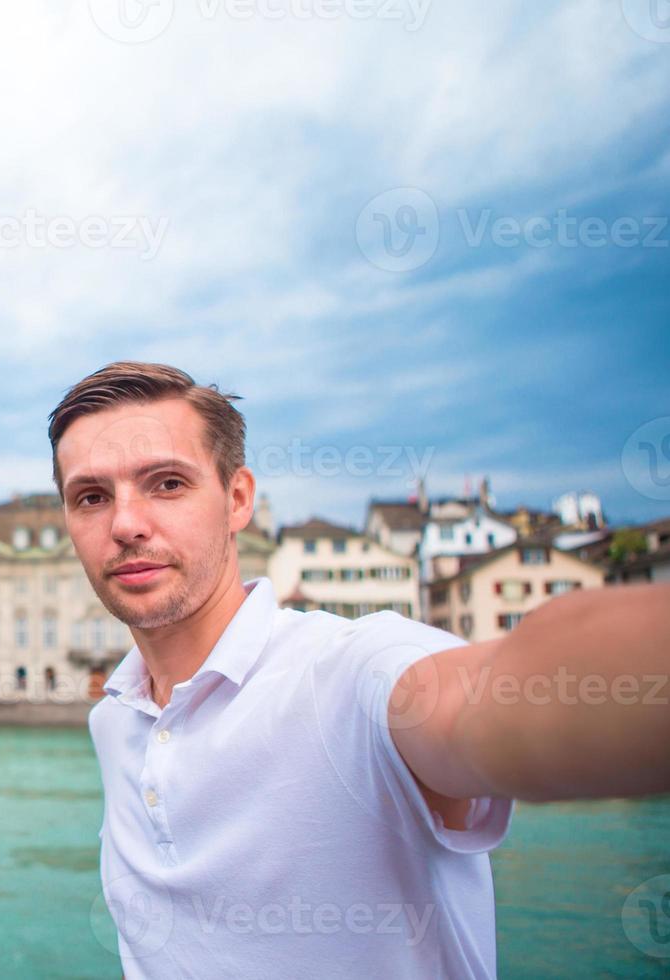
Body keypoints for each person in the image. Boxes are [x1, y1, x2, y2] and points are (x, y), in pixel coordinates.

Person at [51, 362, 669, 979]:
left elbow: (499, 694)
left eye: (166, 484)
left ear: (238, 500)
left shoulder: (353, 672)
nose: (125, 524)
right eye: (91, 497)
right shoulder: (115, 718)